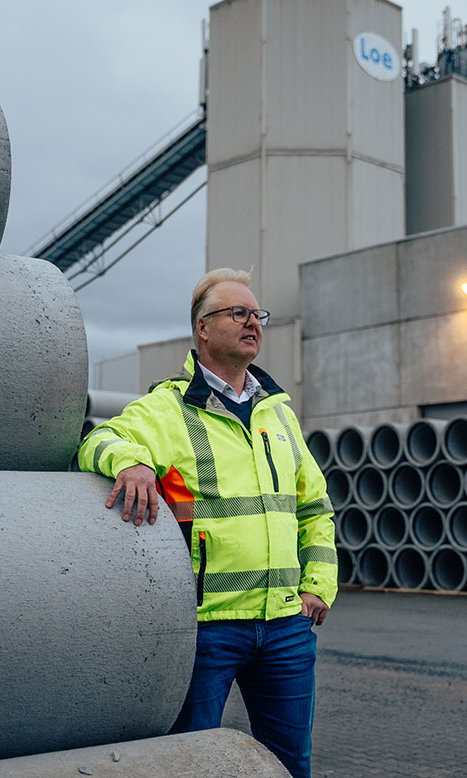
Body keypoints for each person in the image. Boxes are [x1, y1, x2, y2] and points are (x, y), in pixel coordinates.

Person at [78, 268, 337, 778]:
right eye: (238, 313)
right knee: (188, 764)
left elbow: (314, 507)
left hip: (286, 626)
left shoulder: (278, 413)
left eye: (257, 314)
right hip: (206, 629)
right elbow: (98, 440)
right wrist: (129, 463)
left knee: (291, 766)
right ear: (202, 327)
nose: (253, 323)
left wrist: (319, 586)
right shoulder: (168, 407)